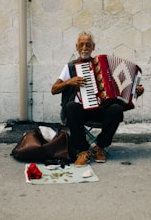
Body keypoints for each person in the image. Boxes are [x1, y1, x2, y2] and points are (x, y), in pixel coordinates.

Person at [51, 31, 144, 167]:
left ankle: (100, 146)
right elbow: (54, 89)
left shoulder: (103, 65)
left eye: (87, 45)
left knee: (116, 109)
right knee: (71, 106)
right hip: (80, 112)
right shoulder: (70, 67)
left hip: (100, 110)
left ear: (93, 47)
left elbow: (121, 90)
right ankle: (82, 150)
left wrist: (135, 92)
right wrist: (69, 82)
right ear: (76, 47)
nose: (84, 48)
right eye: (81, 45)